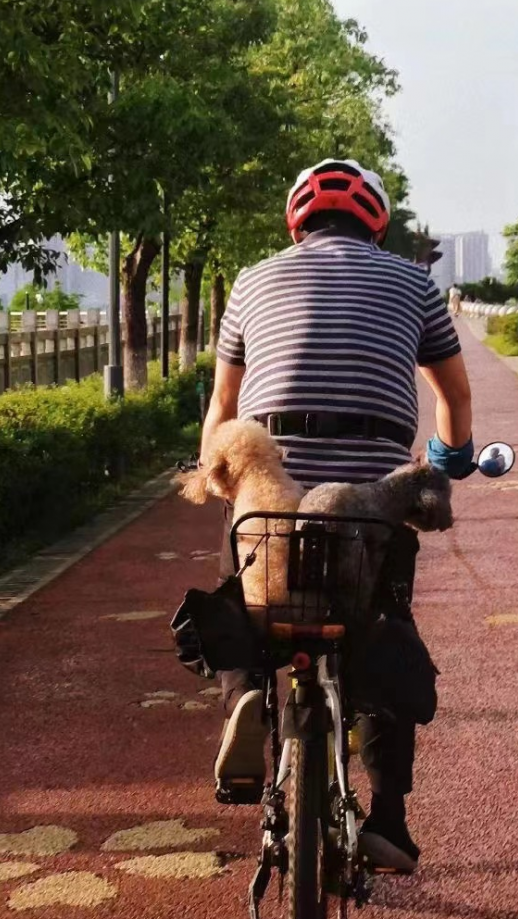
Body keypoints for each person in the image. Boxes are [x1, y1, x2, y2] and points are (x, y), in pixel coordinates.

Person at [198, 158, 475, 874]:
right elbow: (453, 396)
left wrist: (218, 483)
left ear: (297, 220)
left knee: (239, 595)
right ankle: (389, 821)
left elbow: (223, 408)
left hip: (273, 502)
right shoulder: (415, 283)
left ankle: (245, 692)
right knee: (385, 634)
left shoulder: (252, 280)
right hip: (369, 507)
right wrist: (448, 464)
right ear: (376, 222)